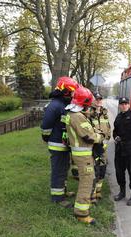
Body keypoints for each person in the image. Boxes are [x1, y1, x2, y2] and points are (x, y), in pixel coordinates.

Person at [63, 87, 104, 224]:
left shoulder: (73, 113)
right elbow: (89, 136)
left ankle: (84, 206)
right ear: (85, 101)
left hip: (81, 154)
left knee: (87, 179)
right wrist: (100, 136)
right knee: (86, 181)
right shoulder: (77, 116)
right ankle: (81, 214)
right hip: (83, 155)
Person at [41, 76, 79, 208]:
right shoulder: (55, 105)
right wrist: (47, 138)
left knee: (64, 169)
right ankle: (58, 198)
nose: (74, 94)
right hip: (57, 145)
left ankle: (63, 192)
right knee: (58, 171)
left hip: (63, 144)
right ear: (65, 91)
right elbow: (45, 126)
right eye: (72, 91)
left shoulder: (62, 104)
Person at [90, 92, 111, 203]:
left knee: (102, 168)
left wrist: (106, 140)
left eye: (100, 99)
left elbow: (108, 129)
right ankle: (92, 193)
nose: (98, 101)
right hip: (93, 147)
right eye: (96, 99)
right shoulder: (89, 113)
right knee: (94, 170)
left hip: (103, 148)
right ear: (93, 100)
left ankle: (98, 190)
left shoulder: (105, 114)